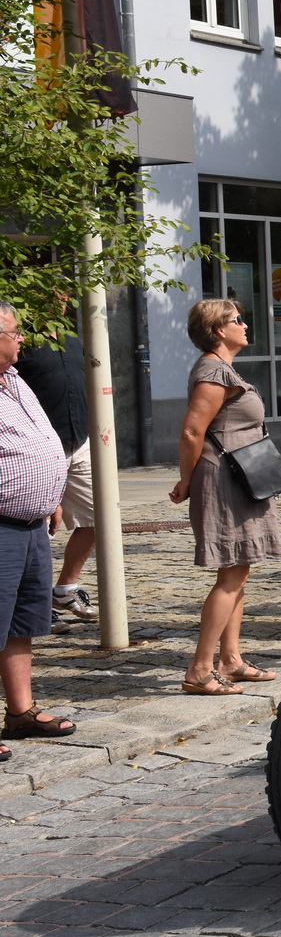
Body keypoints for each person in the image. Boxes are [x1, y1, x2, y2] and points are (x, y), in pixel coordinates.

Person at [167, 298, 281, 696]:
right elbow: (190, 432)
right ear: (219, 330)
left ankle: (230, 660)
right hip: (224, 480)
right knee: (231, 575)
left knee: (239, 570)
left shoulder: (222, 368)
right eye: (238, 320)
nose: (245, 325)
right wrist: (186, 481)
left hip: (239, 479)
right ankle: (200, 669)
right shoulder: (213, 372)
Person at [0, 299, 78, 748]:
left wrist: (49, 493)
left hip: (31, 522)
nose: (23, 338)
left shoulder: (13, 377)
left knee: (21, 623)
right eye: (14, 332)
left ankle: (20, 712)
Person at [13, 326, 95, 623]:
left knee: (98, 516)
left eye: (65, 292)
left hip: (80, 438)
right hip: (42, 446)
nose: (61, 298)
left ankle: (65, 589)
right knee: (39, 525)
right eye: (56, 291)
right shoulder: (24, 340)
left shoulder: (73, 337)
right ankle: (34, 600)